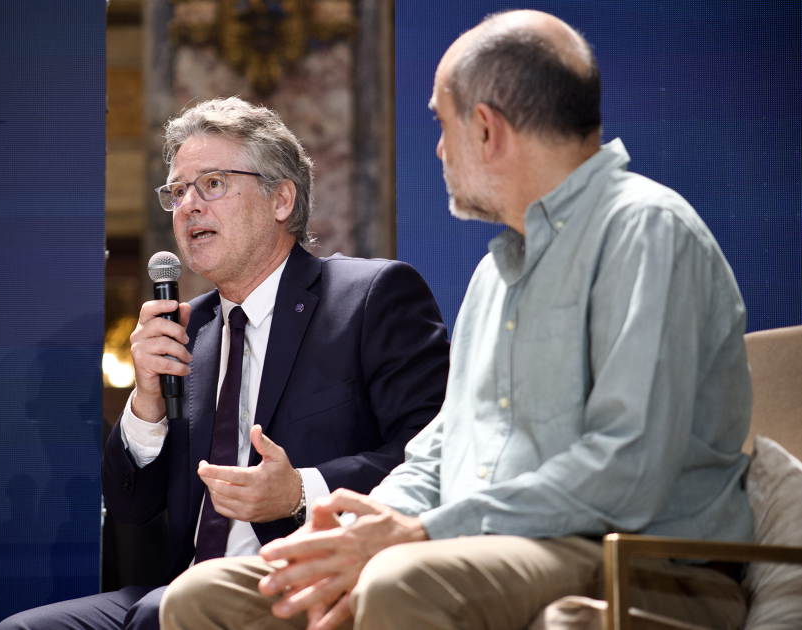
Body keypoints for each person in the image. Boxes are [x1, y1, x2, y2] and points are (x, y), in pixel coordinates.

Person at [159, 10, 755, 630]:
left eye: (442, 125)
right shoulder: (494, 274)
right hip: (483, 546)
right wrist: (355, 530)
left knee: (401, 580)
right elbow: (434, 456)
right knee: (204, 597)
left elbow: (626, 471)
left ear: (487, 129)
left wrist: (420, 531)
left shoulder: (645, 230)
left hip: (638, 558)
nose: (439, 149)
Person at [0, 97, 450, 630]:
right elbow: (131, 507)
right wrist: (144, 404)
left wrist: (300, 490)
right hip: (180, 582)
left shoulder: (370, 295)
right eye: (177, 191)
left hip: (304, 581)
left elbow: (430, 453)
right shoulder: (189, 330)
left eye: (211, 184)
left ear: (281, 199)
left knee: (154, 616)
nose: (188, 206)